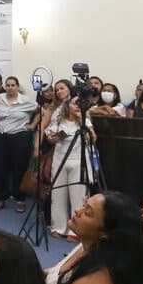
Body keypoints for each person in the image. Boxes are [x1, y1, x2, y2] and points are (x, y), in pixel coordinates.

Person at [0, 75, 38, 214]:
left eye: (13, 85)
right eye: (8, 85)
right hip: (1, 136)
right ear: (5, 86)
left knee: (19, 168)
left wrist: (32, 125)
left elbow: (42, 112)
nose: (10, 88)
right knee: (1, 168)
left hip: (19, 137)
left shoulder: (26, 100)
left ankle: (20, 200)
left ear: (17, 87)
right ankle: (2, 198)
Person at [48, 96, 92, 239]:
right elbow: (50, 139)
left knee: (78, 196)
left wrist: (82, 122)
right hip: (60, 160)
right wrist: (55, 137)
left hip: (79, 161)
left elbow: (92, 139)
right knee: (58, 194)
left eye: (80, 103)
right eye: (75, 103)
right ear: (68, 105)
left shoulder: (85, 121)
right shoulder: (59, 120)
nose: (78, 106)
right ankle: (58, 227)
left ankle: (76, 230)